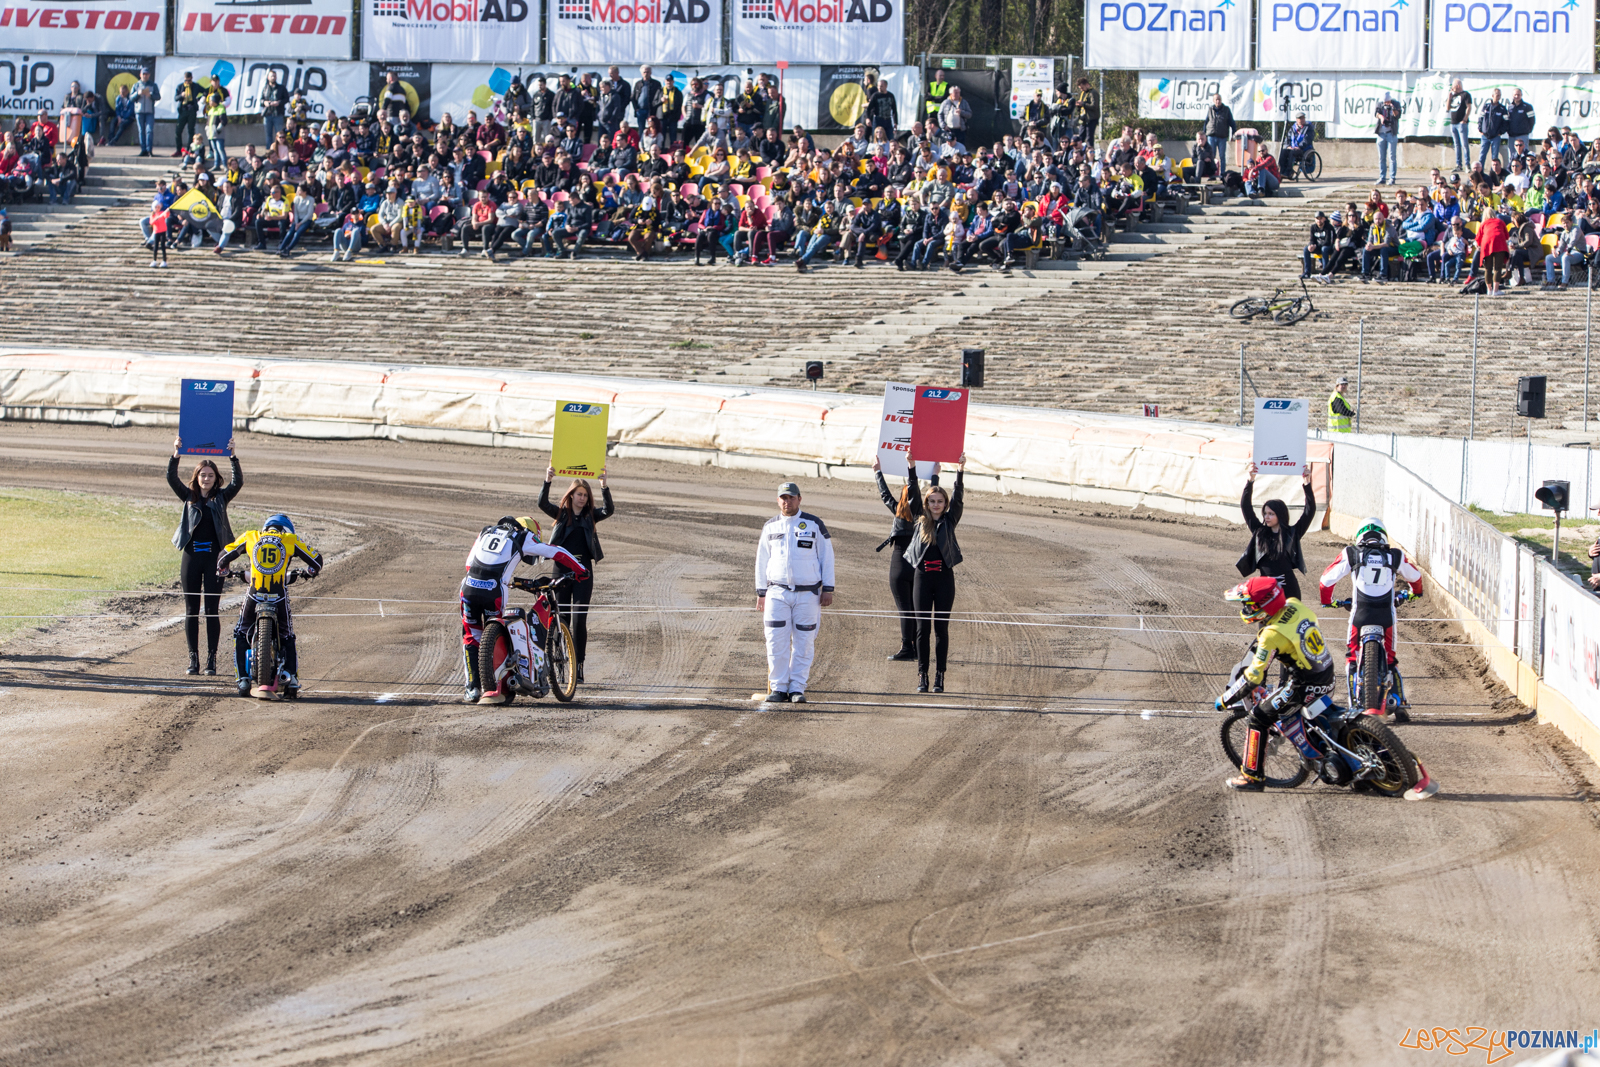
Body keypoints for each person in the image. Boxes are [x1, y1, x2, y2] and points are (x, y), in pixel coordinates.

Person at [1217, 576, 1338, 791]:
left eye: (1249, 605)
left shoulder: (1270, 634)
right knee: (1292, 707)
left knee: (1258, 717)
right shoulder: (1295, 605)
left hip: (1304, 686)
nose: (1246, 609)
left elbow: (1254, 676)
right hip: (1328, 675)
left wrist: (1226, 699)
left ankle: (1252, 778)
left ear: (1262, 606)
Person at [458, 516, 587, 704]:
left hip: (468, 588)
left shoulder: (486, 531)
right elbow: (554, 551)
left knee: (472, 636)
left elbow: (469, 564)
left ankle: (472, 688)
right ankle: (498, 683)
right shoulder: (523, 535)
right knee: (496, 634)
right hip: (494, 591)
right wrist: (581, 569)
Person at [1317, 518, 1424, 720]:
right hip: (1387, 615)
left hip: (1360, 614)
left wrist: (1328, 602)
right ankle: (1399, 701)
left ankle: (1354, 705)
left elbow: (1325, 581)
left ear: (1360, 536)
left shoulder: (1351, 553)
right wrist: (1414, 593)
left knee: (1352, 657)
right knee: (1390, 659)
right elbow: (1416, 578)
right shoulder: (1395, 555)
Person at [216, 513, 322, 697]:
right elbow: (317, 562)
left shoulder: (251, 536)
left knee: (241, 631)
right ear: (286, 530)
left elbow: (222, 558)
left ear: (266, 528)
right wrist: (310, 572)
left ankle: (243, 679)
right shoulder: (290, 539)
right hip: (278, 596)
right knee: (286, 634)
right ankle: (291, 677)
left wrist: (223, 570)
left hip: (255, 595)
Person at [167, 436, 243, 675]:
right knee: (191, 610)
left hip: (214, 560)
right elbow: (171, 478)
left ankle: (211, 660)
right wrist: (176, 453)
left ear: (215, 478)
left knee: (211, 610)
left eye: (210, 475)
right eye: (203, 475)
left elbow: (238, 482)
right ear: (197, 477)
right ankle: (193, 660)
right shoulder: (188, 496)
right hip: (191, 558)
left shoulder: (221, 497)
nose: (207, 479)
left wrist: (233, 456)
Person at [755, 481, 836, 704]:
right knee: (775, 641)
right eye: (783, 498)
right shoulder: (770, 526)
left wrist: (828, 588)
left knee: (804, 643)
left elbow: (827, 557)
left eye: (791, 497)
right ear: (777, 500)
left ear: (799, 499)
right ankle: (778, 687)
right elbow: (761, 560)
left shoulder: (814, 524)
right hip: (776, 593)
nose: (787, 501)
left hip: (808, 594)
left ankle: (797, 688)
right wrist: (761, 593)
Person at [539, 466, 614, 684]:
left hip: (583, 573)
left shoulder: (591, 516)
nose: (582, 498)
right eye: (579, 494)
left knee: (579, 620)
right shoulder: (562, 514)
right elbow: (542, 503)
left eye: (585, 495)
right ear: (571, 495)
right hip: (561, 572)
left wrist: (604, 486)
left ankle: (579, 664)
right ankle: (560, 664)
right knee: (561, 619)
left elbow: (608, 510)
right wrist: (547, 480)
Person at [903, 452, 965, 694]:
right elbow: (913, 493)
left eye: (940, 501)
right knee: (922, 630)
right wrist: (911, 466)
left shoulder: (950, 521)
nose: (936, 505)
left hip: (944, 580)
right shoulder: (920, 520)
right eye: (932, 501)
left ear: (945, 504)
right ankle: (922, 675)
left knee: (941, 630)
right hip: (922, 579)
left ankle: (939, 675)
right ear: (927, 504)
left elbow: (958, 498)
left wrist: (960, 471)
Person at [873, 456, 940, 661]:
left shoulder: (897, 510)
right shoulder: (923, 515)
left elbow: (885, 494)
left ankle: (907, 648)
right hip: (919, 564)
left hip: (900, 564)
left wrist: (878, 472)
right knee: (918, 609)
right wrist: (935, 477)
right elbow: (931, 496)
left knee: (905, 609)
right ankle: (919, 649)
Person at [1237, 462, 1316, 601]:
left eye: (1271, 514)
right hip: (1265, 590)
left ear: (1280, 515)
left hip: (1289, 590)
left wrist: (1307, 483)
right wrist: (1250, 480)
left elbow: (1309, 511)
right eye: (1265, 513)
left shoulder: (1292, 533)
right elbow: (1246, 507)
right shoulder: (1259, 532)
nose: (1266, 517)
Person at [1375, 92, 1401, 186]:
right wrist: (1381, 117)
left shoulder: (1396, 103)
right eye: (1385, 102)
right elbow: (1376, 113)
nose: (1386, 103)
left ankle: (1392, 177)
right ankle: (1382, 177)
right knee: (1381, 157)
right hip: (1381, 134)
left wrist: (1392, 108)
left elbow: (1397, 116)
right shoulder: (1379, 104)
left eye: (1387, 102)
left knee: (1392, 157)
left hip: (1391, 133)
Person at [133, 68, 161, 157]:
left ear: (149, 75)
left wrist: (151, 95)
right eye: (143, 74)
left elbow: (158, 97)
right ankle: (143, 150)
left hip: (150, 111)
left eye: (146, 74)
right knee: (141, 131)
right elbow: (131, 98)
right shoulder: (136, 85)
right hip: (139, 111)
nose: (145, 76)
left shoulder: (153, 85)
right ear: (140, 75)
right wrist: (138, 93)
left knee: (149, 131)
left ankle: (149, 150)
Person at [1448, 79, 1473, 172]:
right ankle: (1458, 164)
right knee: (1456, 145)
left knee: (1464, 144)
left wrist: (1465, 119)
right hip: (1453, 123)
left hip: (1461, 123)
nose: (1452, 88)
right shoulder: (1453, 96)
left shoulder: (1465, 94)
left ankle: (1467, 164)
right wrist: (1449, 97)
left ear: (1458, 86)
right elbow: (1448, 108)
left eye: (1453, 86)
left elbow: (1469, 107)